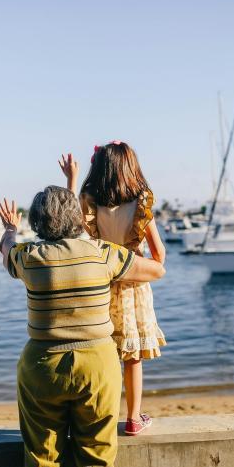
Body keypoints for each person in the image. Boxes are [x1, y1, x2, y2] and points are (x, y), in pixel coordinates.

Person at [0, 187, 165, 467]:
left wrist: (8, 229)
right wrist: (145, 225)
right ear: (76, 217)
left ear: (38, 222)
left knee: (42, 461)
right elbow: (156, 269)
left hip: (42, 367)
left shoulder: (28, 257)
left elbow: (5, 250)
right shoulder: (102, 255)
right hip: (97, 368)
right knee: (98, 458)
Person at [59, 143, 166, 436]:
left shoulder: (90, 202)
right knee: (132, 357)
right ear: (131, 167)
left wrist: (71, 179)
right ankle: (133, 418)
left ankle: (97, 416)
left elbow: (68, 224)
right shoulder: (141, 206)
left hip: (101, 284)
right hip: (133, 286)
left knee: (100, 353)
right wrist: (138, 259)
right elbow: (159, 256)